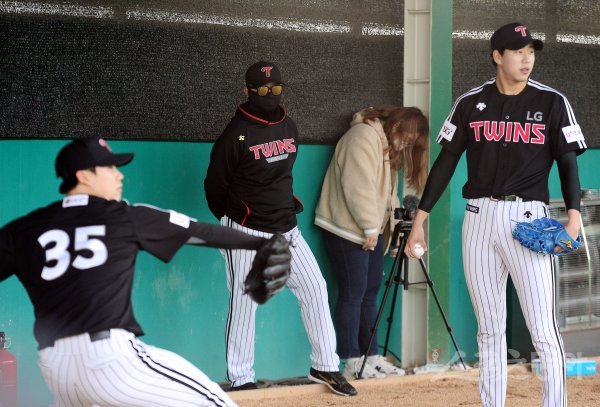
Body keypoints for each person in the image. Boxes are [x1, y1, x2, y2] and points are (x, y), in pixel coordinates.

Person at [0, 136, 290, 407]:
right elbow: (200, 231)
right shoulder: (124, 216)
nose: (119, 175)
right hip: (109, 360)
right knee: (215, 401)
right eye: (109, 167)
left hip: (56, 368)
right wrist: (261, 243)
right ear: (84, 175)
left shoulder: (24, 229)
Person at [405, 22, 587, 407]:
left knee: (543, 329)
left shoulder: (552, 102)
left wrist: (573, 216)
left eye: (531, 51)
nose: (527, 59)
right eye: (518, 51)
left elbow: (568, 162)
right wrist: (420, 220)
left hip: (529, 218)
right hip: (479, 219)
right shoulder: (470, 103)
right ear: (497, 56)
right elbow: (445, 164)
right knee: (489, 330)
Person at [204, 61, 356, 396]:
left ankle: (325, 365)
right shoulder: (235, 134)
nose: (269, 95)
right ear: (246, 91)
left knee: (315, 288)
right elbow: (214, 187)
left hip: (286, 228)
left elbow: (281, 176)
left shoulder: (288, 126)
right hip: (245, 231)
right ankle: (241, 378)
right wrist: (235, 219)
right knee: (245, 301)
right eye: (262, 89)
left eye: (275, 89)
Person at [314, 105, 429, 379]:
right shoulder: (363, 136)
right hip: (346, 229)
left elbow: (387, 195)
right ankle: (352, 361)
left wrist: (388, 233)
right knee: (353, 293)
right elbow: (358, 187)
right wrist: (370, 228)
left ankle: (371, 357)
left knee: (369, 293)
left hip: (370, 231)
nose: (405, 145)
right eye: (407, 139)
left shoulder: (384, 143)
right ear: (396, 125)